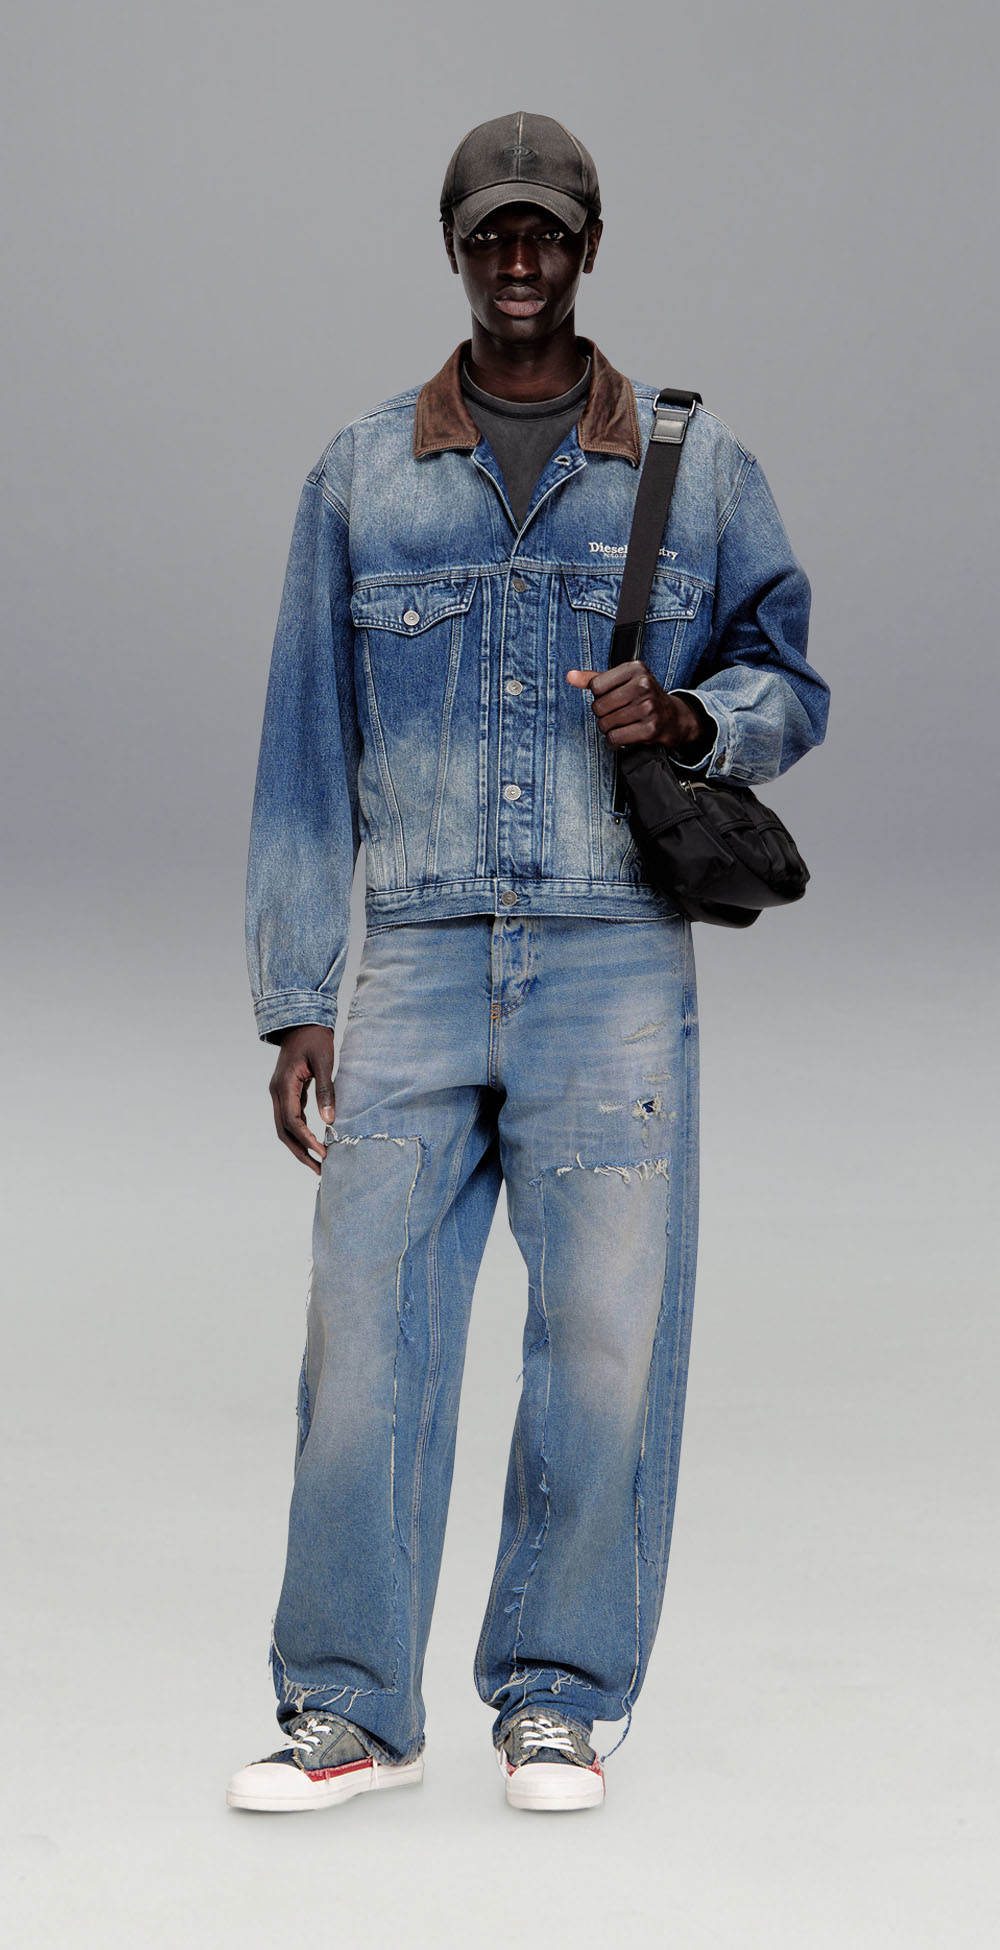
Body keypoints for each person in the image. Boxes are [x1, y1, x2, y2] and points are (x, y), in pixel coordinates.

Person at [228, 111, 830, 1817]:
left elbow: (792, 679)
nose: (517, 262)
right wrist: (296, 994)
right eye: (491, 234)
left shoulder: (692, 470)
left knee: (605, 1340)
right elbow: (303, 747)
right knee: (366, 1337)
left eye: (544, 235)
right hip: (414, 958)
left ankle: (557, 1698)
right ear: (455, 248)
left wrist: (693, 716)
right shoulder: (361, 475)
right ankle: (349, 1708)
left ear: (586, 249)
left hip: (609, 954)